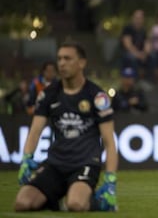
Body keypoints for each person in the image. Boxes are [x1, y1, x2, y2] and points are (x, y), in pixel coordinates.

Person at [14, 41, 118, 212]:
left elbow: (109, 142)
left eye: (68, 58)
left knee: (75, 205)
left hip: (85, 164)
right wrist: (26, 159)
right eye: (59, 59)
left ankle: (100, 202)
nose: (62, 63)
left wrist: (110, 179)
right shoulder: (48, 94)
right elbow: (35, 131)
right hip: (55, 164)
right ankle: (55, 199)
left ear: (82, 63)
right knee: (23, 203)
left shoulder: (97, 96)